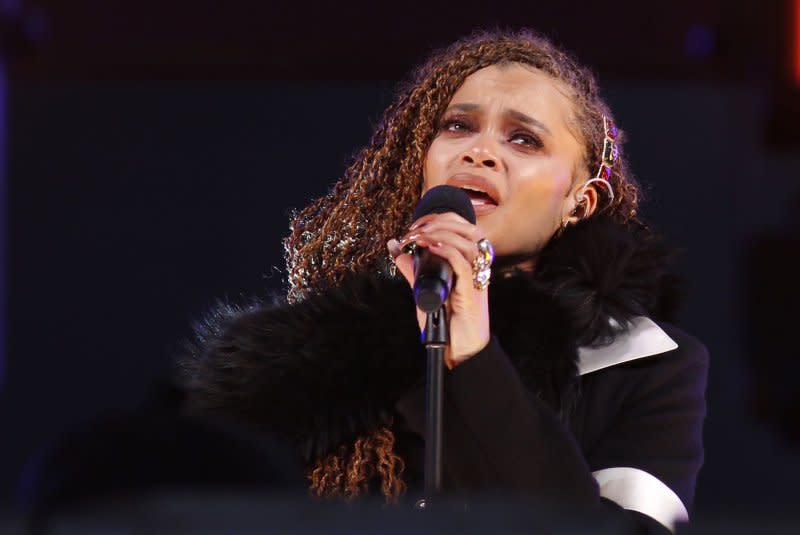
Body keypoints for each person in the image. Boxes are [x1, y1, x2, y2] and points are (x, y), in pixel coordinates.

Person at [179, 29, 708, 534]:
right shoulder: (303, 361)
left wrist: (474, 358)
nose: (477, 151)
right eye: (457, 126)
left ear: (579, 201)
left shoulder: (644, 362)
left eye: (524, 139)